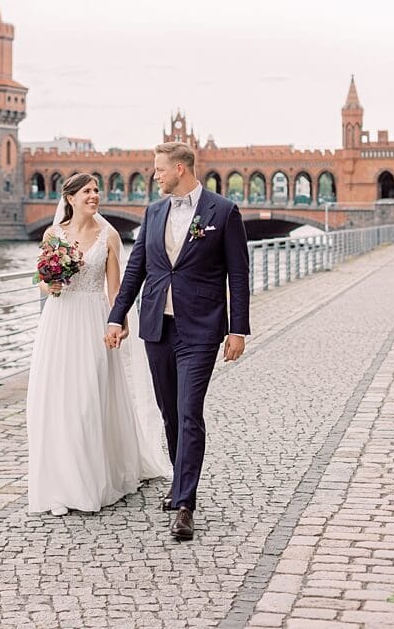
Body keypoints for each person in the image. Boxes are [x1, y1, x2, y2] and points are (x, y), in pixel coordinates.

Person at [106, 142, 250, 542]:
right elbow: (137, 270)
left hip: (201, 328)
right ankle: (178, 479)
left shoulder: (223, 211)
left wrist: (238, 329)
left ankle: (185, 502)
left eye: (159, 170)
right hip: (157, 326)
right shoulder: (153, 213)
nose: (155, 176)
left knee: (189, 412)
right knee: (169, 411)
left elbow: (238, 275)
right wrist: (117, 316)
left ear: (181, 169)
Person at [26, 173, 169, 516]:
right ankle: (59, 485)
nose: (94, 195)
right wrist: (52, 286)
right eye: (87, 191)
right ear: (70, 198)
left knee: (89, 399)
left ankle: (91, 481)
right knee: (56, 399)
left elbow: (116, 289)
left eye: (95, 190)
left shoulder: (109, 236)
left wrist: (118, 322)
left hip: (93, 320)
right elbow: (43, 282)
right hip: (59, 322)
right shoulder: (52, 235)